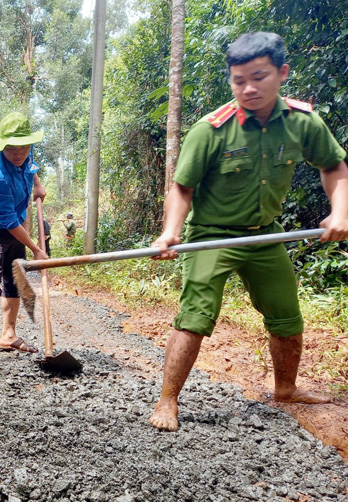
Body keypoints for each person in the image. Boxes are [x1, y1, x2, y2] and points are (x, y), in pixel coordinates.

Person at [148, 32, 348, 432]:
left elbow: (334, 167)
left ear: (282, 73)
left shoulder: (302, 122)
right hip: (211, 234)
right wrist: (171, 232)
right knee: (196, 315)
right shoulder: (211, 130)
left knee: (286, 314)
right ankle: (167, 400)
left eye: (259, 77)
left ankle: (286, 389)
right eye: (239, 80)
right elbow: (182, 188)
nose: (249, 88)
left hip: (265, 234)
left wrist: (340, 210)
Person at [0, 112, 48, 369]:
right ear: (2, 145)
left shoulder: (27, 151)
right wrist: (36, 248)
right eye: (12, 148)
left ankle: (9, 335)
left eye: (24, 147)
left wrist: (37, 184)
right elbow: (9, 223)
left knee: (15, 279)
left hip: (15, 220)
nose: (19, 153)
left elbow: (30, 164)